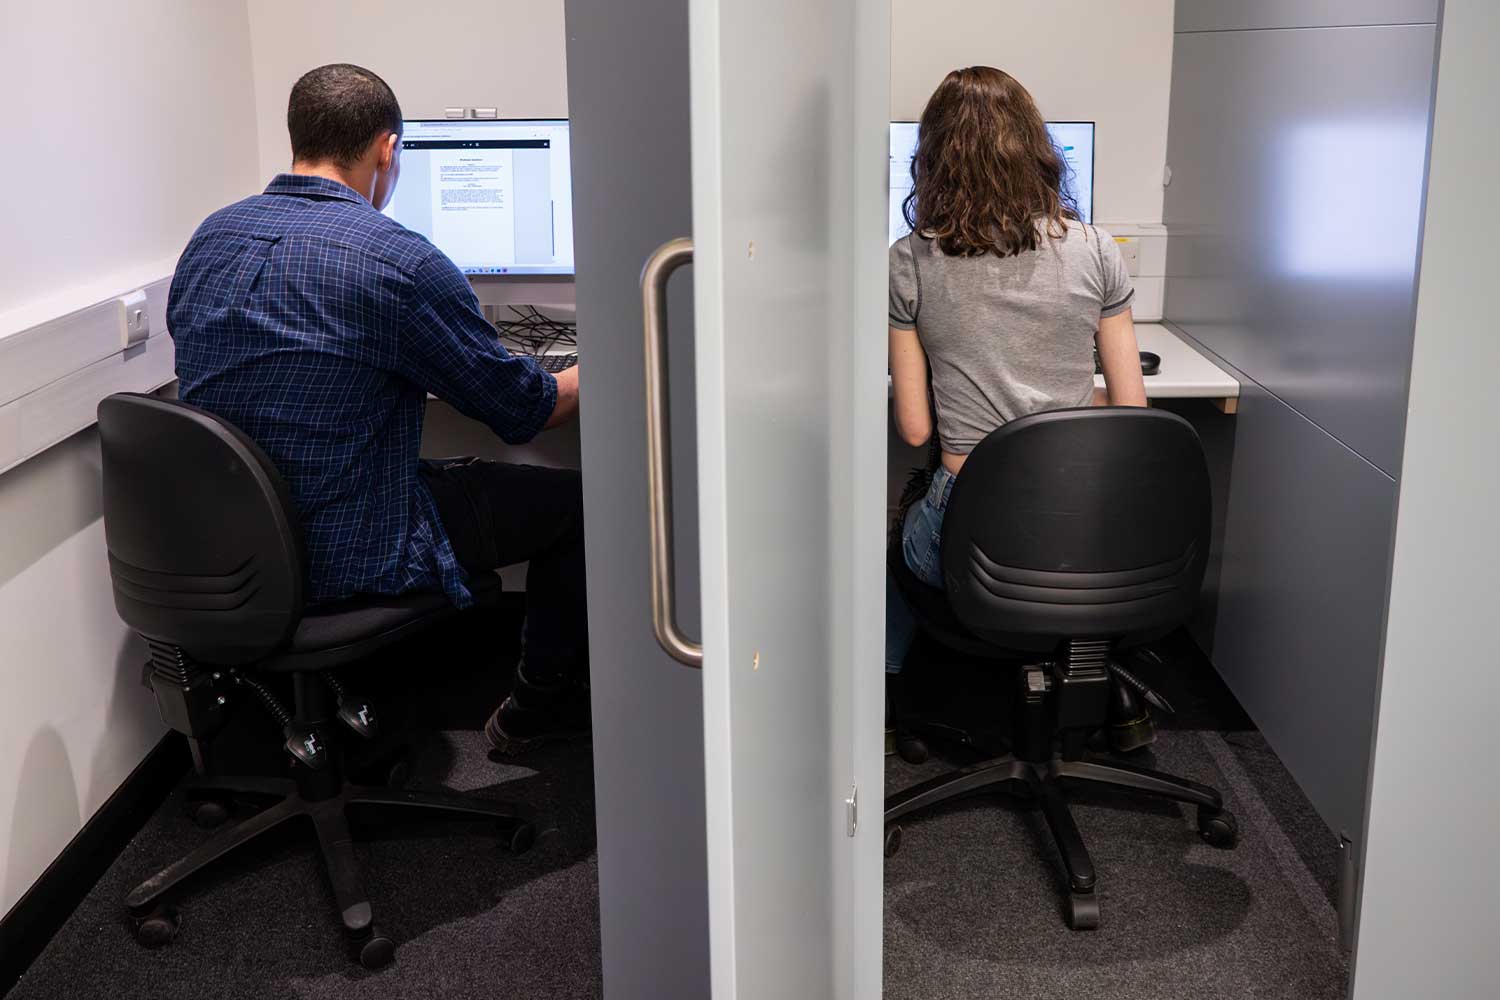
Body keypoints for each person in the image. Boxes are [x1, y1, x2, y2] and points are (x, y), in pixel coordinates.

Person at [167, 63, 585, 755]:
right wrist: (594, 364)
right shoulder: (398, 262)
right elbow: (525, 410)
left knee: (439, 466)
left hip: (225, 547)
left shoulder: (211, 238)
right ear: (388, 148)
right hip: (348, 546)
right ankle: (534, 713)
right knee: (576, 506)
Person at [884, 67, 1148, 714]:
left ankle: (889, 702)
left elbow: (916, 430)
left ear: (933, 160)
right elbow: (1134, 409)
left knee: (890, 537)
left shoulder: (910, 260)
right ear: (1038, 150)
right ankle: (1111, 700)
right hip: (1082, 522)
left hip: (969, 526)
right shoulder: (1095, 249)